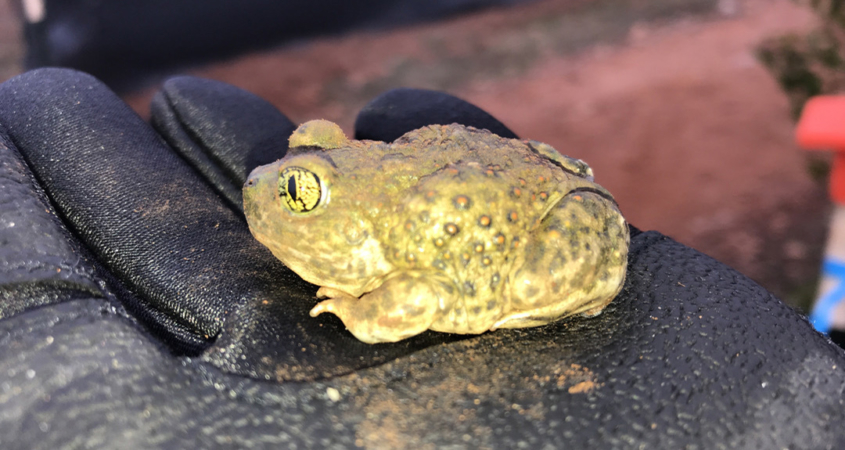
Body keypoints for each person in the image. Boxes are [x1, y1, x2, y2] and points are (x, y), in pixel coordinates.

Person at [0, 68, 841, 448]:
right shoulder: (354, 203)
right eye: (305, 159)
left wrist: (369, 306)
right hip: (462, 180)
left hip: (532, 222)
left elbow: (399, 305)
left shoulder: (374, 255)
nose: (276, 183)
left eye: (300, 191)